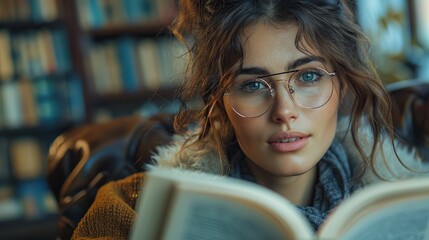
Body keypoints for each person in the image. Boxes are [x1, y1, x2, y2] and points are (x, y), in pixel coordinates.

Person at [71, 0, 428, 239]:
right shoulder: (131, 211)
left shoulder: (410, 207)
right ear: (219, 103)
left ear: (343, 84)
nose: (284, 111)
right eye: (253, 84)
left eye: (308, 77)